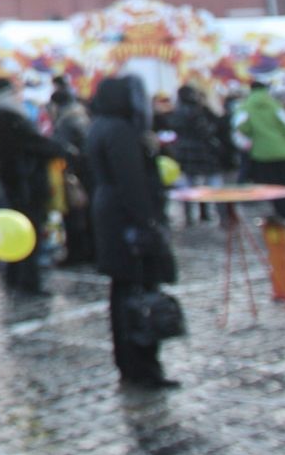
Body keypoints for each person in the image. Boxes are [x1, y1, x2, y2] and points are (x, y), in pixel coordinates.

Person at [86, 74, 180, 390]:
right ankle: (142, 365)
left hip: (109, 215)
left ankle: (131, 364)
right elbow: (132, 184)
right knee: (137, 292)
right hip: (126, 222)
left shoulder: (100, 125)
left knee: (123, 291)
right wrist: (147, 225)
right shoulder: (121, 131)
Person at [0, 77, 70, 293]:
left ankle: (16, 277)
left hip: (12, 185)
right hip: (23, 187)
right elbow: (34, 144)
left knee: (16, 235)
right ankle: (28, 281)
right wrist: (61, 149)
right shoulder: (10, 117)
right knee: (28, 235)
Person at [242, 79, 285, 220]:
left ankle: (279, 210)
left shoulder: (246, 107)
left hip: (261, 152)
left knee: (271, 184)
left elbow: (241, 127)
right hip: (284, 150)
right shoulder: (275, 105)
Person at [51, 89, 95, 264]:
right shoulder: (81, 115)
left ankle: (77, 253)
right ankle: (91, 250)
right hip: (87, 173)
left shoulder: (65, 120)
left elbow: (62, 147)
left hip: (74, 175)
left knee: (75, 214)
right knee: (86, 214)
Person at [170, 85, 224, 226]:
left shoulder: (177, 111)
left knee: (189, 183)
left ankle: (189, 216)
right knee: (207, 182)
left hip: (184, 151)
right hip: (201, 150)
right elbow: (206, 130)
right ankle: (206, 213)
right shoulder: (197, 110)